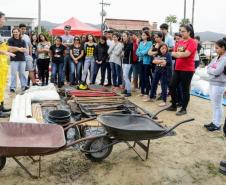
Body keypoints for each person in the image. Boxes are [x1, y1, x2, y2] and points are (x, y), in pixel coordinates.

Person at [167, 24, 197, 116]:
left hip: (187, 69)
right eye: (180, 31)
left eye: (183, 31)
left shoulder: (192, 42)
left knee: (185, 89)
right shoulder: (179, 42)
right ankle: (174, 105)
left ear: (189, 32)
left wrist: (176, 54)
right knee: (172, 85)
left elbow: (186, 54)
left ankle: (184, 108)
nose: (181, 33)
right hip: (178, 67)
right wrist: (177, 54)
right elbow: (175, 54)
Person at [204, 38, 226, 131]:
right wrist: (212, 70)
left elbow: (217, 71)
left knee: (217, 104)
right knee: (214, 104)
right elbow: (208, 67)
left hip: (219, 84)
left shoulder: (224, 58)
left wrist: (212, 70)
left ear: (223, 48)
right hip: (213, 82)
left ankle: (217, 124)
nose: (215, 50)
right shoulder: (216, 57)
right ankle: (214, 122)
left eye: (217, 48)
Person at [0, 11, 16, 117]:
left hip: (2, 63)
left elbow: (3, 47)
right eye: (3, 18)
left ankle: (1, 107)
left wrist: (16, 49)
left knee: (2, 86)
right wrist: (7, 52)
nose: (4, 20)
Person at [8, 27, 27, 92]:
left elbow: (24, 50)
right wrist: (19, 49)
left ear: (19, 32)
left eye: (16, 32)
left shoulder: (23, 41)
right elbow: (9, 50)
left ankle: (24, 86)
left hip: (22, 59)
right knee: (13, 74)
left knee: (22, 73)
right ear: (12, 33)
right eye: (14, 32)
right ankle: (13, 87)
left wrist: (14, 49)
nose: (15, 33)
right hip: (14, 59)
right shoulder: (10, 40)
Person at [136, 31, 153, 97]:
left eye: (144, 35)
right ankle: (142, 91)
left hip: (147, 62)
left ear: (147, 36)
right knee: (141, 76)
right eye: (142, 35)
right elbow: (137, 52)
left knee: (146, 77)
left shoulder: (150, 43)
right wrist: (141, 53)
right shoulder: (140, 43)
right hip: (140, 61)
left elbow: (147, 51)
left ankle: (147, 92)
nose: (143, 36)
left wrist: (141, 53)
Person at [122, 31, 133, 97]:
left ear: (128, 36)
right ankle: (126, 89)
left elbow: (125, 53)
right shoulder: (125, 43)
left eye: (124, 36)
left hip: (128, 62)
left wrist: (123, 53)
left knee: (126, 76)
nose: (123, 37)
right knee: (124, 76)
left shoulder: (130, 43)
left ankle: (129, 91)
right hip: (124, 61)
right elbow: (123, 53)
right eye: (123, 36)